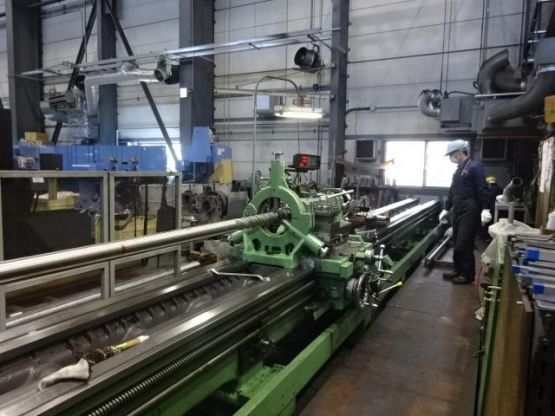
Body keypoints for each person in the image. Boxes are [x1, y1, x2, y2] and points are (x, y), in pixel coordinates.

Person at [439, 140, 491, 284]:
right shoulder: (458, 169)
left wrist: (485, 208)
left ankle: (467, 275)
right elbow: (452, 190)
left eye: (452, 154)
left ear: (460, 152)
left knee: (465, 242)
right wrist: (446, 208)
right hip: (457, 208)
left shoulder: (474, 167)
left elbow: (482, 188)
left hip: (470, 209)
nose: (451, 157)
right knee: (456, 240)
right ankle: (458, 269)